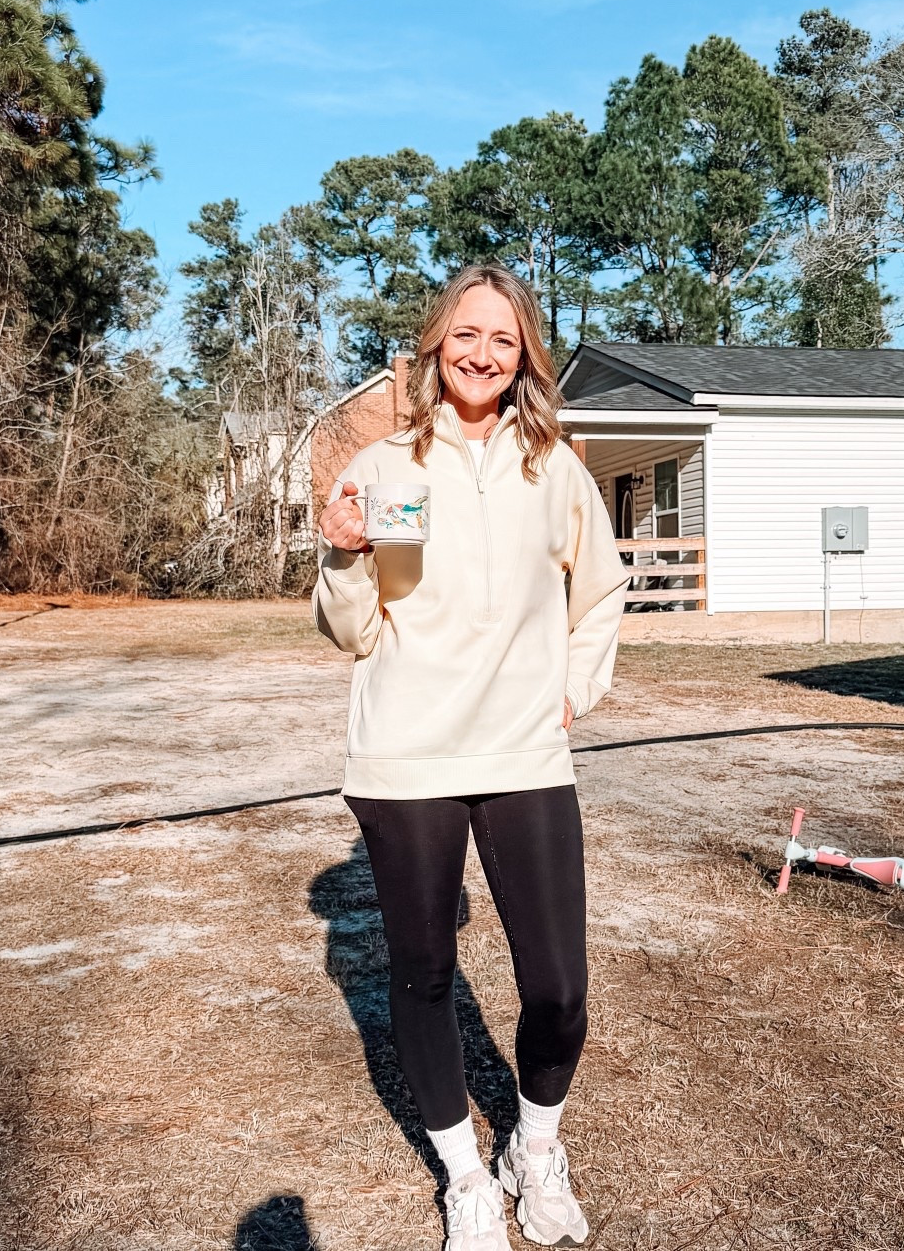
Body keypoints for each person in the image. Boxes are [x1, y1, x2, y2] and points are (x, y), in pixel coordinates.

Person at [312, 264, 628, 1250]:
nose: (481, 353)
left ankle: (536, 1152)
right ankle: (465, 1179)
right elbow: (351, 632)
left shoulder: (556, 468)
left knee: (559, 988)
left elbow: (602, 592)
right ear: (435, 344)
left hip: (524, 753)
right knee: (422, 975)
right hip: (407, 758)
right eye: (464, 334)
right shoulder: (384, 466)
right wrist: (343, 553)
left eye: (501, 337)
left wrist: (572, 690)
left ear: (524, 351)